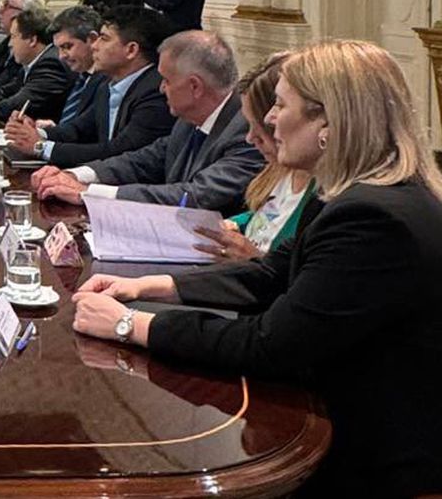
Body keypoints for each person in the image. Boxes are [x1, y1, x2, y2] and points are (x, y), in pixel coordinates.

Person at [71, 40, 442, 496]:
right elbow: (271, 275)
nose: (267, 120)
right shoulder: (352, 193)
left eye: (281, 105)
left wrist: (129, 324)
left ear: (328, 121)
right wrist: (149, 285)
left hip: (370, 454)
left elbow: (270, 344)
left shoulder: (372, 218)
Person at [29, 30, 264, 214]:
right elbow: (145, 160)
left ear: (195, 86)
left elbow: (195, 196)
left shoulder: (247, 131)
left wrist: (89, 193)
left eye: (167, 80)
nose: (161, 88)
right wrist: (77, 176)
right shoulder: (189, 119)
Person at [5, 5, 173, 168]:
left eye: (104, 38)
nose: (94, 45)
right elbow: (78, 130)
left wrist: (40, 147)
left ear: (131, 50)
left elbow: (119, 151)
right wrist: (35, 132)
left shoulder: (156, 91)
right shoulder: (106, 84)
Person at [192, 52, 316, 261]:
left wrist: (253, 259)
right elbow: (268, 217)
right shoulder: (280, 171)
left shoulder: (324, 196)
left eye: (259, 127)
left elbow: (296, 273)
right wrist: (236, 224)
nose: (250, 138)